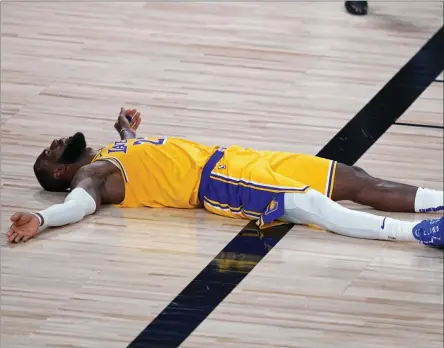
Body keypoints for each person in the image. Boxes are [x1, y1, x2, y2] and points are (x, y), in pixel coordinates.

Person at [6, 108, 444, 247]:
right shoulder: (93, 175)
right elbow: (76, 206)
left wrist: (125, 126)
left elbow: (137, 147)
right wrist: (42, 221)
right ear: (62, 171)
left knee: (355, 179)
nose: (51, 142)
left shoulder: (111, 148)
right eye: (48, 154)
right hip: (216, 182)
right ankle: (421, 234)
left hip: (237, 156)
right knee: (310, 204)